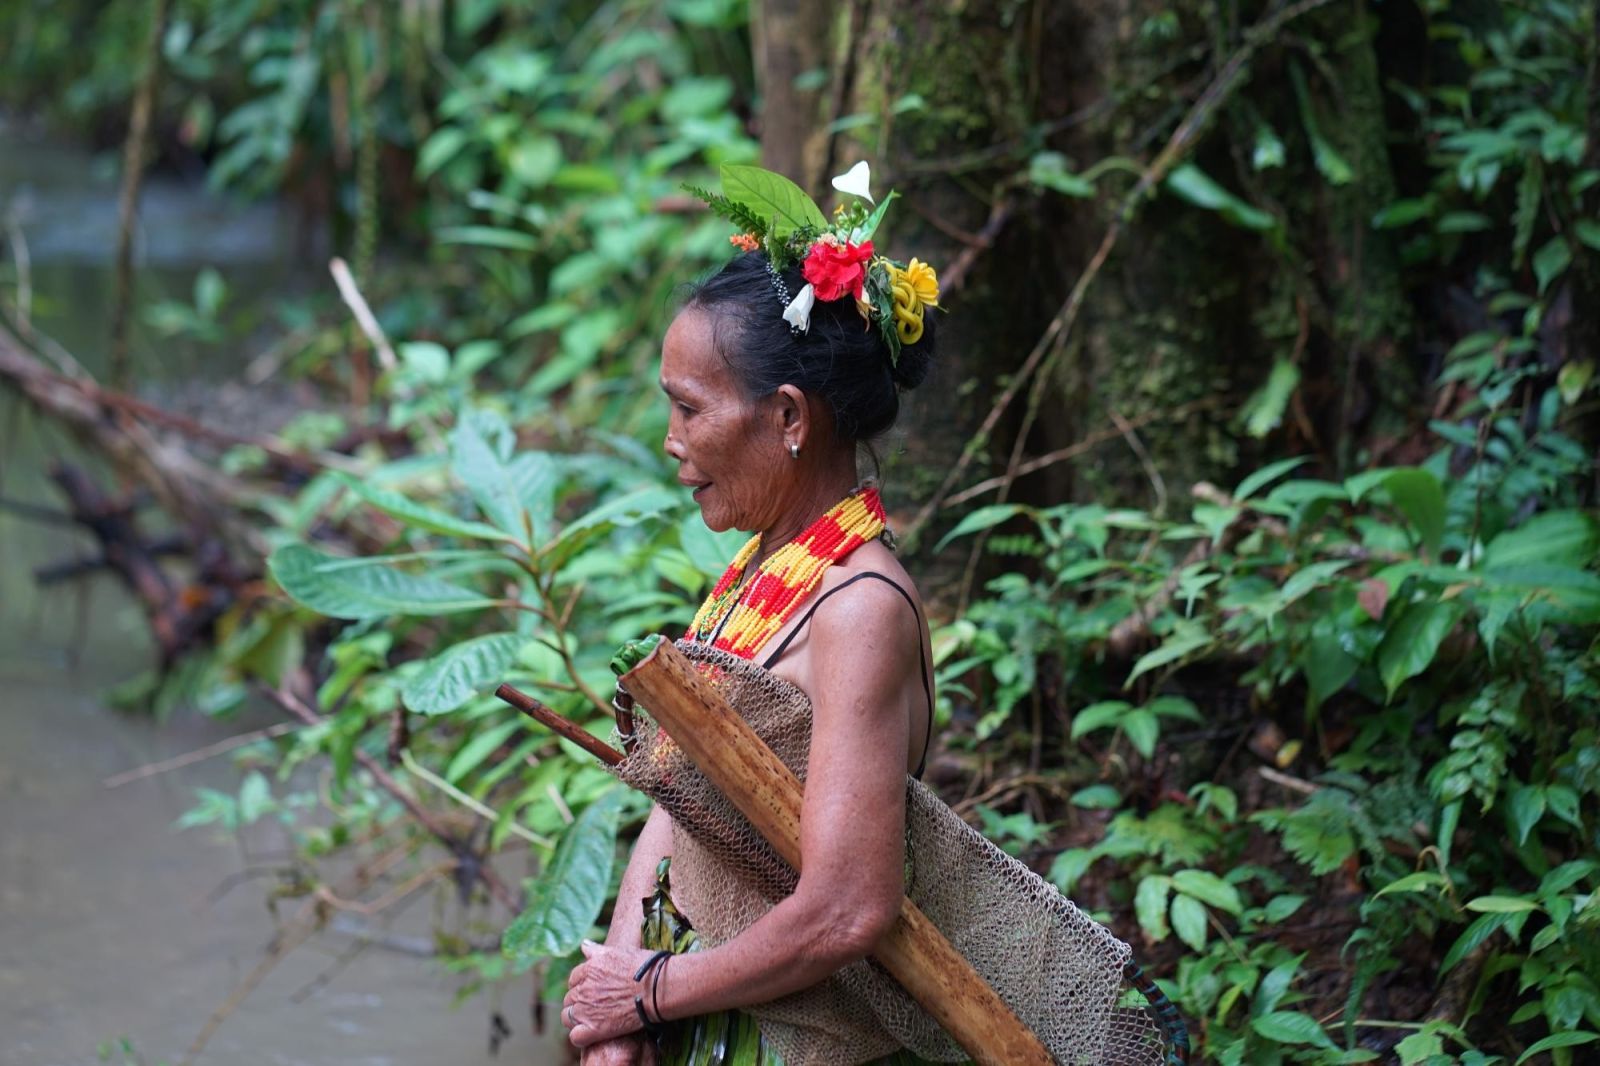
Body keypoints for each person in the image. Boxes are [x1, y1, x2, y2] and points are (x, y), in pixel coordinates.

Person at [559, 165, 945, 1066]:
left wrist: (647, 995)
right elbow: (680, 800)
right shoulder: (761, 569)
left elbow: (848, 907)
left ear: (787, 417)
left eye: (689, 409)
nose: (670, 439)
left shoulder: (859, 610)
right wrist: (622, 989)